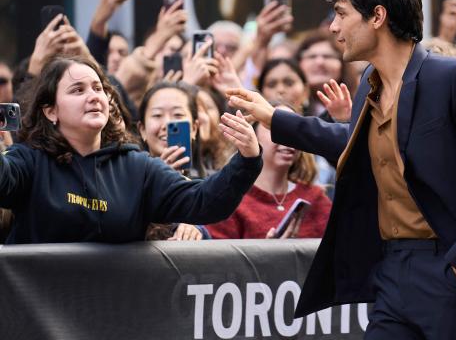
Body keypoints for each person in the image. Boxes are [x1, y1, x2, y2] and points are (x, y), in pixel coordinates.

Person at [227, 0, 456, 340]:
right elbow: (354, 143)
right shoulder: (367, 89)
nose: (333, 28)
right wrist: (275, 118)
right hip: (392, 272)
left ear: (378, 16)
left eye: (342, 14)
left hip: (450, 268)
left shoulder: (453, 78)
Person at [1, 56, 261, 244]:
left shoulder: (137, 167)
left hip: (115, 313)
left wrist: (247, 159)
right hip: (39, 314)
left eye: (98, 88)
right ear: (51, 111)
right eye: (77, 90)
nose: (93, 96)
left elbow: (204, 202)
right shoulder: (30, 161)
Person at [206, 104, 331, 239]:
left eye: (293, 129)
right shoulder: (229, 198)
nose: (288, 137)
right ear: (252, 135)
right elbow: (219, 257)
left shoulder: (316, 198)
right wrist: (267, 254)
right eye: (275, 127)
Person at [137, 81, 211, 240]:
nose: (167, 124)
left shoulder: (211, 185)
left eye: (178, 115)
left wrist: (195, 227)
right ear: (142, 129)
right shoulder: (126, 179)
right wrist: (160, 180)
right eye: (157, 115)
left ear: (194, 128)